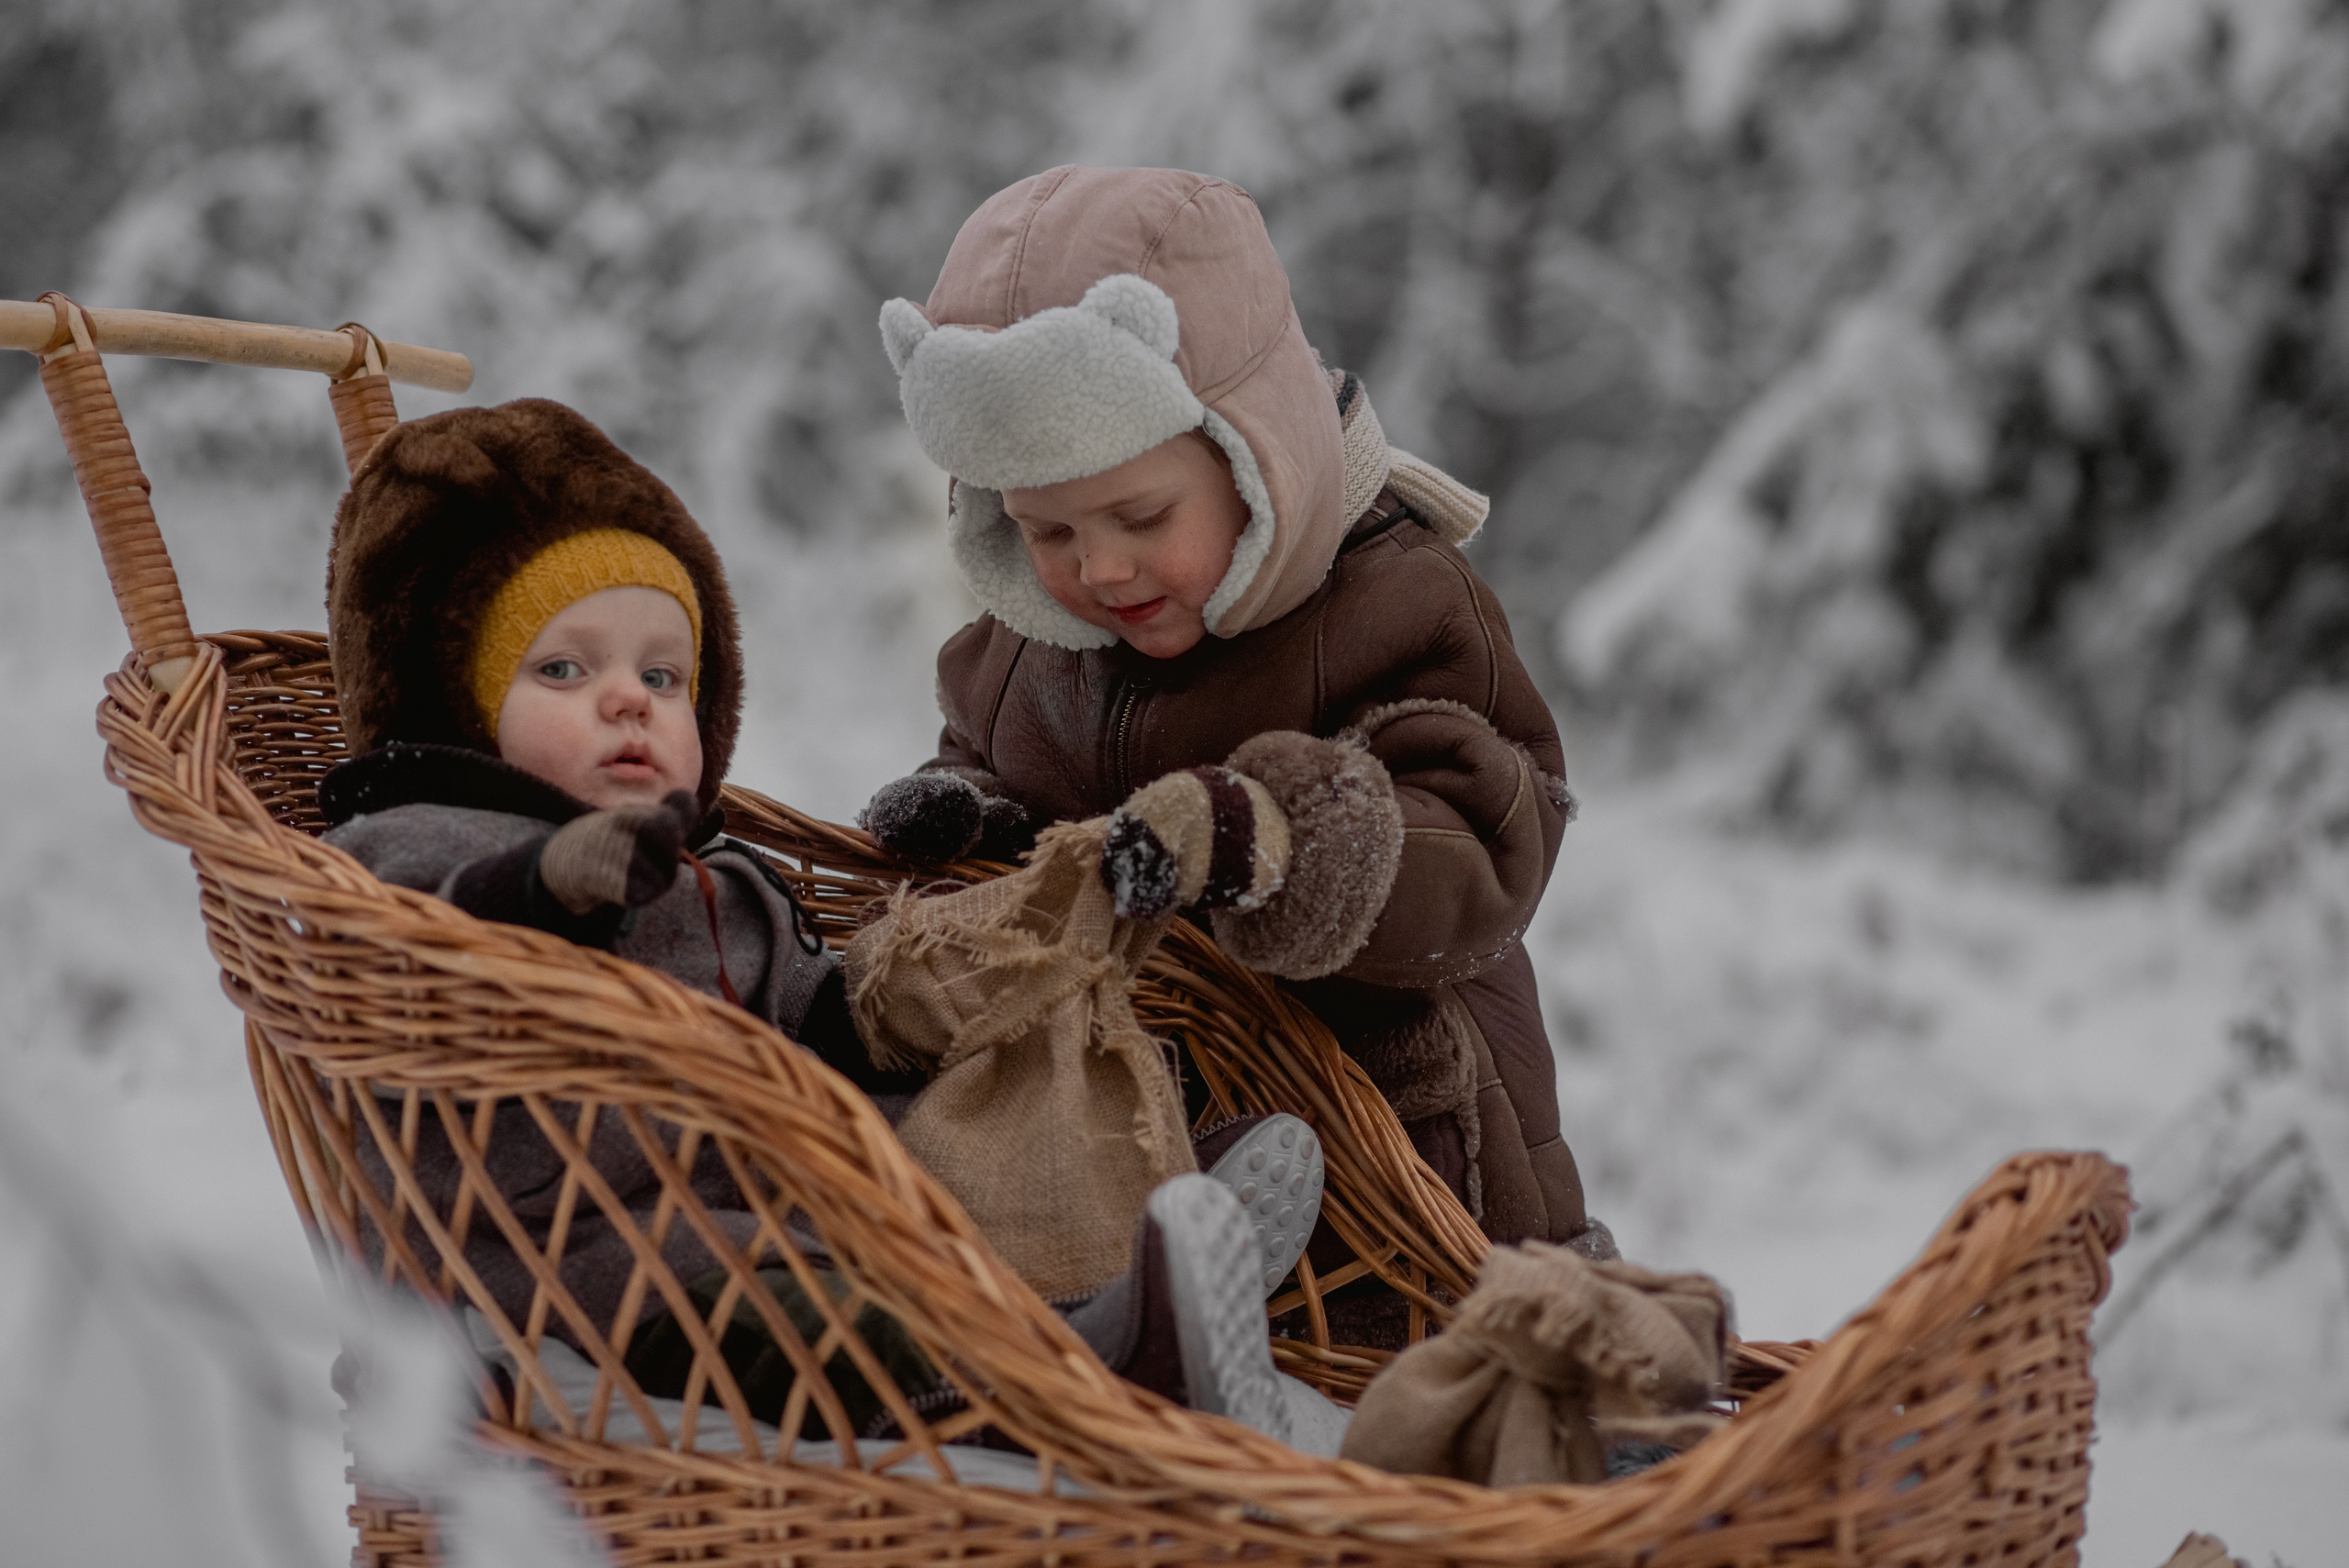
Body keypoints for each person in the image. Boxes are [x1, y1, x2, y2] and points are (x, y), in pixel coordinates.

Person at [317, 397, 1330, 1447]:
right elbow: (390, 975)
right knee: (845, 1330)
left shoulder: (714, 879)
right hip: (599, 1262)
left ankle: (1115, 1225)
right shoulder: (413, 844)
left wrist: (940, 989)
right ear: (460, 708)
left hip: (786, 1208)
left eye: (661, 675)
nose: (628, 701)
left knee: (949, 1143)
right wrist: (541, 890)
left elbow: (815, 1023)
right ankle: (1086, 1379)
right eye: (564, 669)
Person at [860, 168, 1617, 1351]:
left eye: (1141, 516)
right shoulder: (1030, 649)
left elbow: (1483, 842)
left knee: (1409, 1379)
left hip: (1406, 1168)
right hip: (1138, 1150)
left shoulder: (1398, 606)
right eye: (1045, 532)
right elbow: (1002, 765)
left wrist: (1274, 837)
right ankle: (1127, 1348)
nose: (1099, 570)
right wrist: (975, 818)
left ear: (1254, 453)